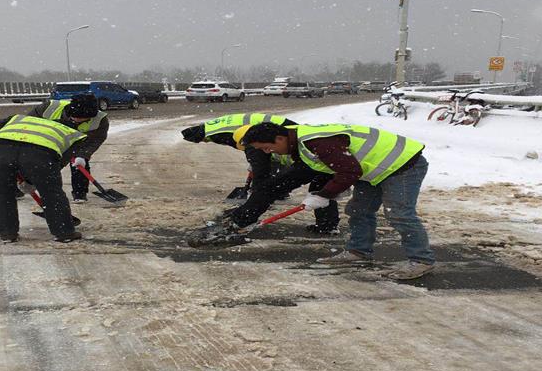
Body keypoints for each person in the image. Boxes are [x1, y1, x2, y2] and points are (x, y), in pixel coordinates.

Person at [239, 121, 435, 280]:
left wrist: (325, 194)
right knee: (358, 210)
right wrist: (332, 189)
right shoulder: (298, 143)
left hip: (402, 164)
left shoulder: (316, 141)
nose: (268, 152)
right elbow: (336, 166)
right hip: (375, 169)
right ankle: (358, 251)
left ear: (280, 138)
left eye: (267, 148)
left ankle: (421, 261)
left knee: (399, 213)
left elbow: (350, 170)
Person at [181, 113, 339, 234]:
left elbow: (261, 170)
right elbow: (261, 161)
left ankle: (239, 222)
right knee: (317, 187)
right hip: (310, 151)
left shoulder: (224, 135)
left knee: (275, 187)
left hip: (315, 158)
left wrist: (257, 194)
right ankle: (327, 226)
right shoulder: (257, 135)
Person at [0, 93, 108, 203]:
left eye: (84, 119)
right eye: (76, 117)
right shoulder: (48, 108)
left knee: (79, 163)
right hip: (45, 142)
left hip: (76, 142)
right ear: (70, 111)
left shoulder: (100, 120)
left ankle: (79, 194)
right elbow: (27, 127)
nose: (78, 120)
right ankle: (17, 189)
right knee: (24, 160)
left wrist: (83, 155)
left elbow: (95, 140)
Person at [0, 112, 88, 243]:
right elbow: (58, 163)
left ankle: (7, 233)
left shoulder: (21, 119)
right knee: (51, 193)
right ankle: (64, 232)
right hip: (39, 154)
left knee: (1, 192)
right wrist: (32, 180)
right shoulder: (73, 134)